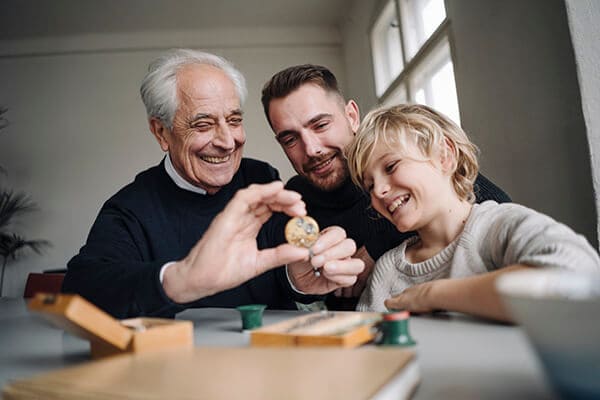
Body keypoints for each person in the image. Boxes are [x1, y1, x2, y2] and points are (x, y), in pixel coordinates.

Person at [62, 49, 364, 318]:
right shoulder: (130, 209)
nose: (227, 142)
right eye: (203, 124)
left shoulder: (262, 179)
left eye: (233, 120)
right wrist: (181, 280)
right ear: (161, 133)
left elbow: (280, 277)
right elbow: (77, 292)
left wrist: (298, 280)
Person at [261, 64, 511, 309]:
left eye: (320, 125)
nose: (312, 149)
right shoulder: (292, 203)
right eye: (290, 139)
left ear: (351, 116)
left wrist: (378, 242)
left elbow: (494, 204)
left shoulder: (396, 157)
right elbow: (285, 287)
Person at [345, 104, 600, 321]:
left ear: (444, 155)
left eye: (390, 166)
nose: (378, 190)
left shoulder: (498, 226)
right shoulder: (388, 270)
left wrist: (430, 295)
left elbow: (578, 276)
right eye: (369, 185)